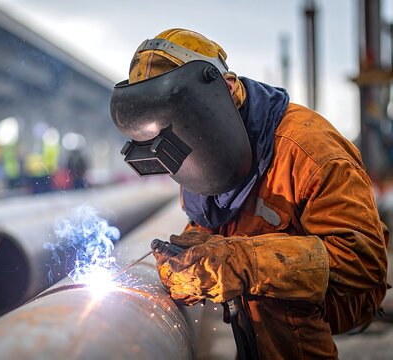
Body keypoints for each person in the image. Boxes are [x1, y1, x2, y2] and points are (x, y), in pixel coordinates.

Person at [110, 28, 389, 359]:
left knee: (265, 292)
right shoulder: (201, 152)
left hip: (344, 288)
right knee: (245, 282)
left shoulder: (310, 151)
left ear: (227, 89)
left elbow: (364, 263)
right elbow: (213, 226)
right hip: (269, 282)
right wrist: (190, 254)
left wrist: (238, 262)